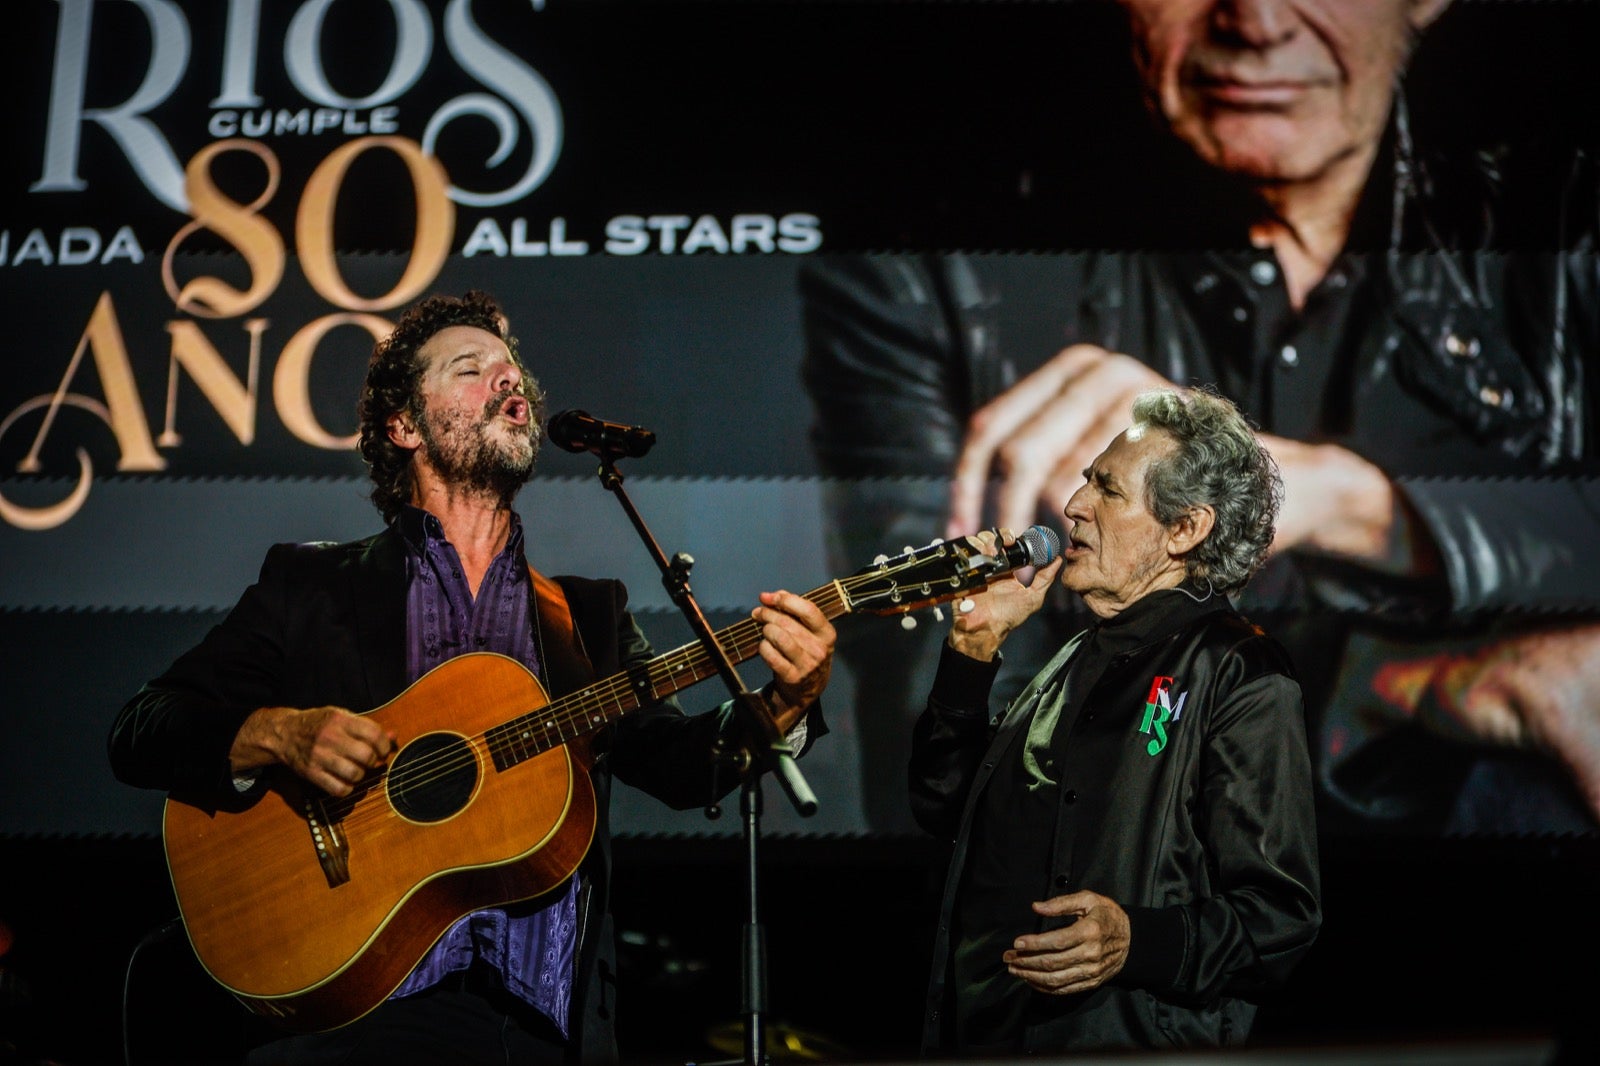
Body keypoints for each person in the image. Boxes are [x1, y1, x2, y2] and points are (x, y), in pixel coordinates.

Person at [802, 0, 1600, 836]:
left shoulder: (1566, 211)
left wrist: (1346, 503)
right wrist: (1386, 692)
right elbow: (971, 776)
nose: (1254, 22)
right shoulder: (923, 270)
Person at [107, 290, 837, 1065]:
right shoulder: (312, 586)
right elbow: (141, 728)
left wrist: (786, 701)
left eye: (512, 370)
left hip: (543, 1033)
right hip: (360, 1017)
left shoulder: (587, 616)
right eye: (472, 369)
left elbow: (682, 762)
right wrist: (276, 732)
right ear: (404, 426)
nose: (508, 380)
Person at [911, 387, 1320, 1054]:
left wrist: (1136, 941)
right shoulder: (1067, 662)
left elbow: (1280, 920)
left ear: (1186, 529)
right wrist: (972, 652)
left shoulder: (1238, 670)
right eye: (1084, 483)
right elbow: (943, 811)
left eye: (1108, 490)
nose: (1073, 506)